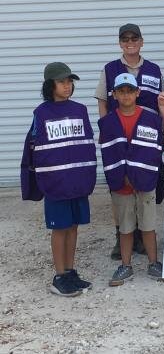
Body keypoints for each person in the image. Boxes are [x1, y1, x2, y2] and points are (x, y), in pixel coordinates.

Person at [21, 62, 97, 296]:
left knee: (74, 226)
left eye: (70, 81)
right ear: (50, 85)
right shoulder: (41, 113)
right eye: (62, 81)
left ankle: (71, 272)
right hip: (55, 181)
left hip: (77, 180)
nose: (67, 85)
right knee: (60, 228)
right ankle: (59, 276)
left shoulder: (80, 110)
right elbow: (34, 147)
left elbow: (86, 145)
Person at [95, 23, 164, 260]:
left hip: (146, 141)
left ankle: (143, 237)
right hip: (120, 137)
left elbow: (161, 103)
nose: (130, 41)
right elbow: (103, 101)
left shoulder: (154, 70)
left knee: (147, 186)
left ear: (142, 41)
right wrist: (106, 131)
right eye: (125, 38)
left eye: (135, 38)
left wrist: (161, 133)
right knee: (120, 186)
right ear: (120, 43)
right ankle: (122, 236)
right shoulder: (109, 69)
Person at [98, 73, 164, 286]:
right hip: (121, 184)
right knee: (125, 227)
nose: (126, 95)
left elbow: (155, 150)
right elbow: (108, 152)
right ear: (114, 95)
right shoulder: (107, 122)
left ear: (138, 93)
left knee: (148, 225)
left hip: (144, 182)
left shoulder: (152, 119)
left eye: (129, 91)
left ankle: (153, 263)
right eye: (121, 91)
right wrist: (121, 176)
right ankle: (125, 265)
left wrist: (142, 175)